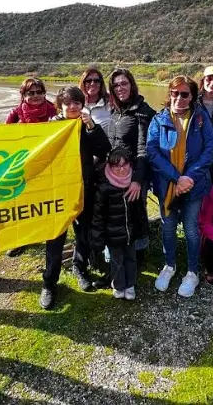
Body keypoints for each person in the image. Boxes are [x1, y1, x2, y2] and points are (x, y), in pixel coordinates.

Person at [40, 86, 111, 309]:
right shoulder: (52, 127)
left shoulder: (86, 125)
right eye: (68, 103)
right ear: (60, 106)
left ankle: (79, 268)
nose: (73, 107)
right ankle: (49, 282)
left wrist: (91, 126)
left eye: (77, 103)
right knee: (56, 238)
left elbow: (104, 150)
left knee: (83, 234)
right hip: (59, 191)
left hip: (84, 188)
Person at [147, 75, 213, 297]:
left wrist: (189, 178)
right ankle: (169, 265)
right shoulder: (159, 120)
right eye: (175, 93)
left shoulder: (201, 119)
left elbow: (209, 151)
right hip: (167, 187)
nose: (179, 98)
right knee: (168, 228)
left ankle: (193, 272)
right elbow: (153, 152)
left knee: (190, 230)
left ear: (193, 96)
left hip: (193, 188)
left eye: (184, 94)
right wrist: (177, 178)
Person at [105, 68, 156, 275]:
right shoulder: (114, 111)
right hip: (114, 172)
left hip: (135, 174)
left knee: (136, 213)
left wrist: (137, 180)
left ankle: (139, 256)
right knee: (117, 214)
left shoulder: (142, 111)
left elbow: (144, 147)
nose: (120, 88)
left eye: (123, 83)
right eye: (115, 85)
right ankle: (116, 258)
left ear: (132, 85)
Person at [4, 77, 57, 258]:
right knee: (22, 204)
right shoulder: (16, 113)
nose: (35, 96)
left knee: (48, 203)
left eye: (39, 92)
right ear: (23, 95)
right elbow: (3, 138)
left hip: (49, 165)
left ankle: (52, 236)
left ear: (44, 93)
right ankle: (22, 240)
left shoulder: (54, 112)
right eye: (30, 93)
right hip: (24, 166)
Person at [90, 147, 146, 300]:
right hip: (112, 234)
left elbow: (139, 212)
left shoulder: (134, 184)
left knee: (131, 259)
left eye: (124, 165)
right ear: (110, 166)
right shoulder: (104, 187)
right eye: (117, 166)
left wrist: (141, 229)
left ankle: (130, 285)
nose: (121, 169)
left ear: (130, 164)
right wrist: (98, 238)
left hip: (130, 232)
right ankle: (118, 285)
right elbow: (98, 216)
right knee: (117, 261)